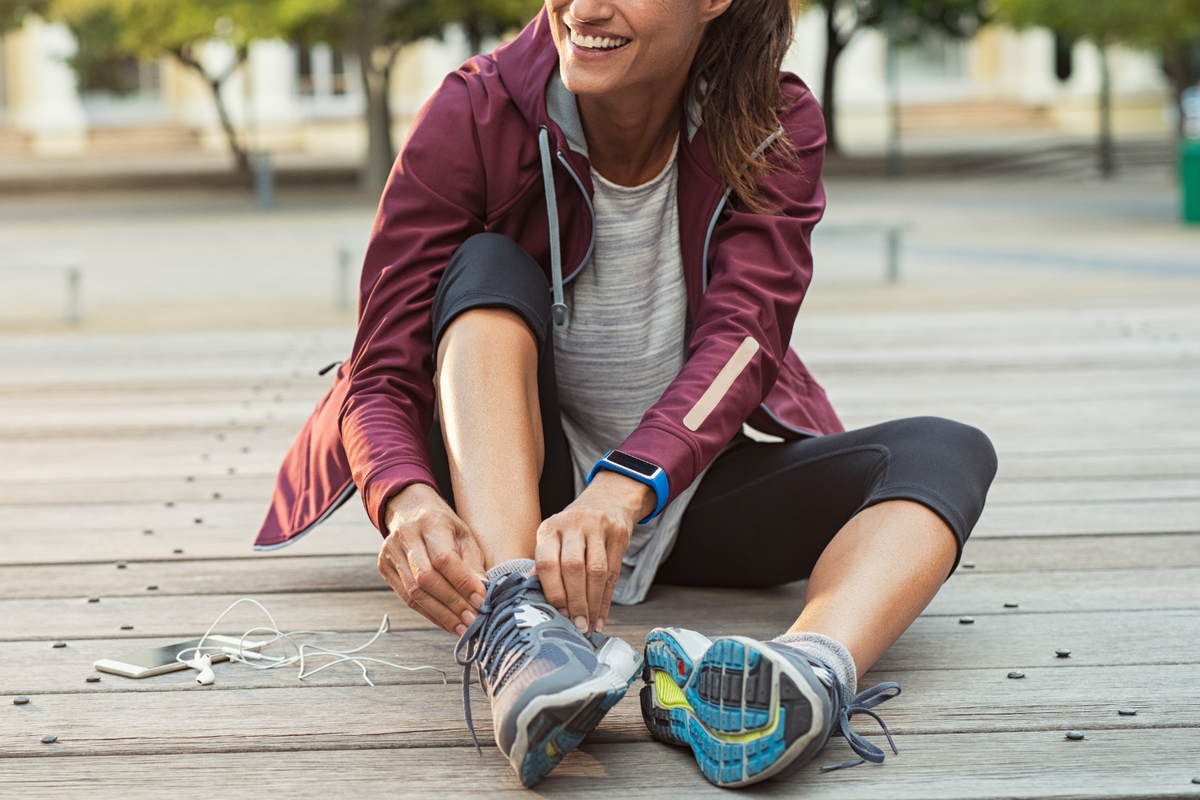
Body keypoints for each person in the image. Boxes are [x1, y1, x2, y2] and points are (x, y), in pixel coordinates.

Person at [259, 0, 997, 788]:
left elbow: (745, 340)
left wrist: (626, 486)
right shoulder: (475, 111)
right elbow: (379, 366)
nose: (583, 8)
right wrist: (404, 498)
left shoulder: (770, 123)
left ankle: (806, 675)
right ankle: (522, 627)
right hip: (518, 498)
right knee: (484, 266)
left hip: (678, 490)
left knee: (945, 451)